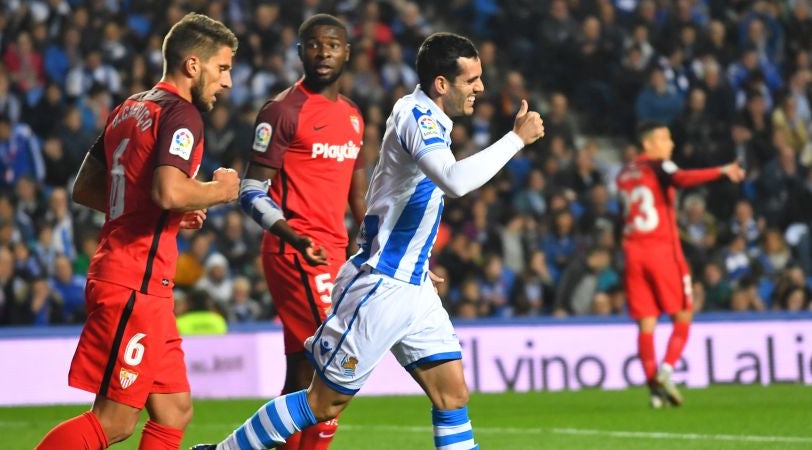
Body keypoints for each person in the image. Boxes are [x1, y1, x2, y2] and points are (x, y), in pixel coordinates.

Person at [192, 32, 544, 450]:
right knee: (322, 404)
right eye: (471, 80)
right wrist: (516, 139)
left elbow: (392, 198)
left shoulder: (430, 120)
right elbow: (454, 182)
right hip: (382, 286)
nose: (480, 88)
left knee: (452, 396)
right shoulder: (416, 115)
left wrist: (417, 255)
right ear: (442, 84)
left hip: (413, 285)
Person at [35, 13, 239, 450]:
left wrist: (165, 209)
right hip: (134, 282)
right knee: (114, 422)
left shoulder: (132, 106)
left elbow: (87, 188)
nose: (227, 82)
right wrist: (218, 191)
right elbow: (168, 189)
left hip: (143, 283)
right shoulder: (184, 115)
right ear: (192, 65)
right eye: (222, 68)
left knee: (175, 409)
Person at [237, 14, 365, 450]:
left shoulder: (352, 116)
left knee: (302, 377)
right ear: (300, 52)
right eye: (314, 44)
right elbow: (251, 190)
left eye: (332, 44)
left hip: (336, 254)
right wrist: (292, 236)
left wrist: (373, 245)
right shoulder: (283, 111)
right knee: (338, 367)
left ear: (347, 52)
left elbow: (356, 191)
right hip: (297, 252)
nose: (323, 51)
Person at [616, 120, 744, 408]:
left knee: (646, 323)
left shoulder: (624, 172)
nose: (670, 144)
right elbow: (682, 179)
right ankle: (666, 371)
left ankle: (654, 393)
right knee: (684, 313)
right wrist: (721, 171)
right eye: (664, 138)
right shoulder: (660, 166)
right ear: (648, 144)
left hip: (632, 251)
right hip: (661, 250)